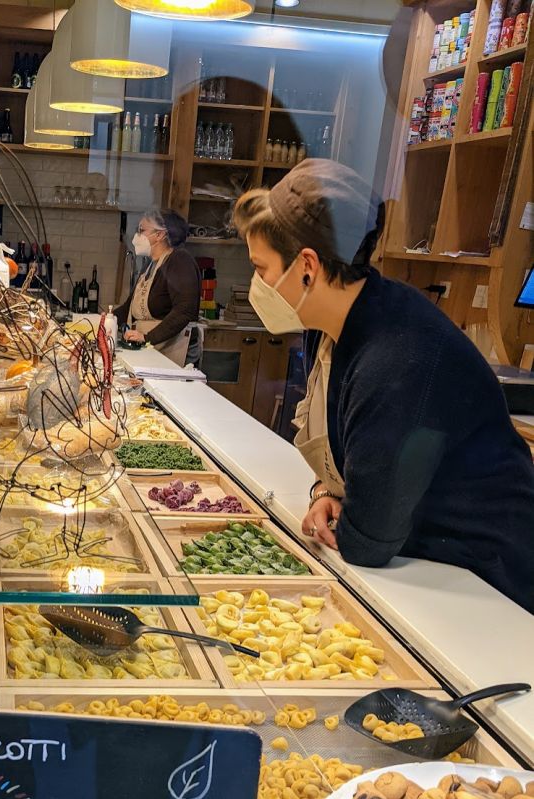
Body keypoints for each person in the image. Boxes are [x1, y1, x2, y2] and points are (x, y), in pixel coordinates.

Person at [233, 158, 534, 613]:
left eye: (262, 267)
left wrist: (350, 515)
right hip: (420, 561)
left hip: (484, 581)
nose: (259, 283)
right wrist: (326, 494)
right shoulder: (331, 321)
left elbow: (367, 541)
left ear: (308, 266)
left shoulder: (396, 361)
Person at [115, 208, 201, 366]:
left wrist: (147, 338)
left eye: (141, 230)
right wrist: (102, 320)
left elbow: (184, 310)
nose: (136, 237)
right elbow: (129, 307)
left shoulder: (180, 260)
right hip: (152, 349)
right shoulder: (149, 265)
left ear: (160, 235)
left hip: (173, 351)